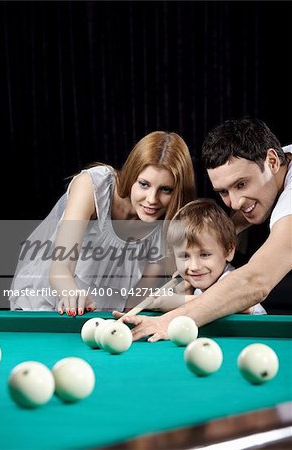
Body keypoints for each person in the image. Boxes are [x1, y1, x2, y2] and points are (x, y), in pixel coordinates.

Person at [114, 118, 291, 341]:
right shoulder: (274, 159)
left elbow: (256, 281)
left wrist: (171, 320)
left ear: (273, 162)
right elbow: (228, 225)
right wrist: (196, 255)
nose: (234, 203)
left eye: (241, 184)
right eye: (224, 192)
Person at [9, 131, 196, 315]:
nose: (152, 199)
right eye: (144, 184)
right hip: (45, 299)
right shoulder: (93, 186)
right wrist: (71, 293)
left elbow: (135, 301)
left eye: (166, 189)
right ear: (132, 175)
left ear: (178, 192)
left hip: (102, 317)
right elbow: (60, 269)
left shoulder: (167, 225)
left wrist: (177, 300)